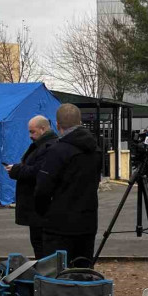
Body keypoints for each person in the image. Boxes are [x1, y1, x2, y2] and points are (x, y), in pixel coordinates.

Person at [35, 104, 102, 262]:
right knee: (82, 270)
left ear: (57, 125)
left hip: (59, 224)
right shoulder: (95, 149)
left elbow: (43, 188)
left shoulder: (57, 151)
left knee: (57, 273)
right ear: (80, 122)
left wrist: (44, 213)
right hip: (87, 221)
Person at [5, 115, 58, 259]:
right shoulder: (42, 145)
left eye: (32, 132)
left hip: (40, 205)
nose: (30, 136)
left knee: (41, 243)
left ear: (43, 129)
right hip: (36, 204)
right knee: (38, 242)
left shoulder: (48, 146)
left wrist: (17, 170)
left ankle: (45, 273)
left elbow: (37, 171)